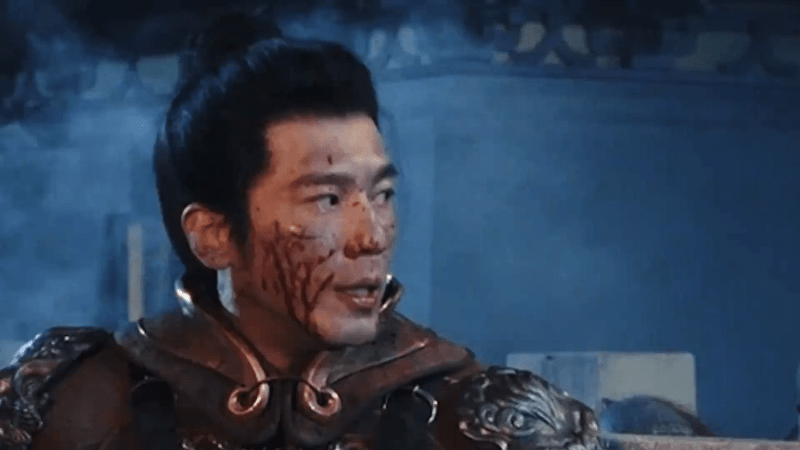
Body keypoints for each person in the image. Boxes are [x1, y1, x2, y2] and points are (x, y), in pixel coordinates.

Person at [0, 14, 601, 450]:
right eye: (328, 200)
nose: (372, 237)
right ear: (213, 235)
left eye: (382, 195)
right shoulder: (74, 406)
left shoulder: (475, 420)